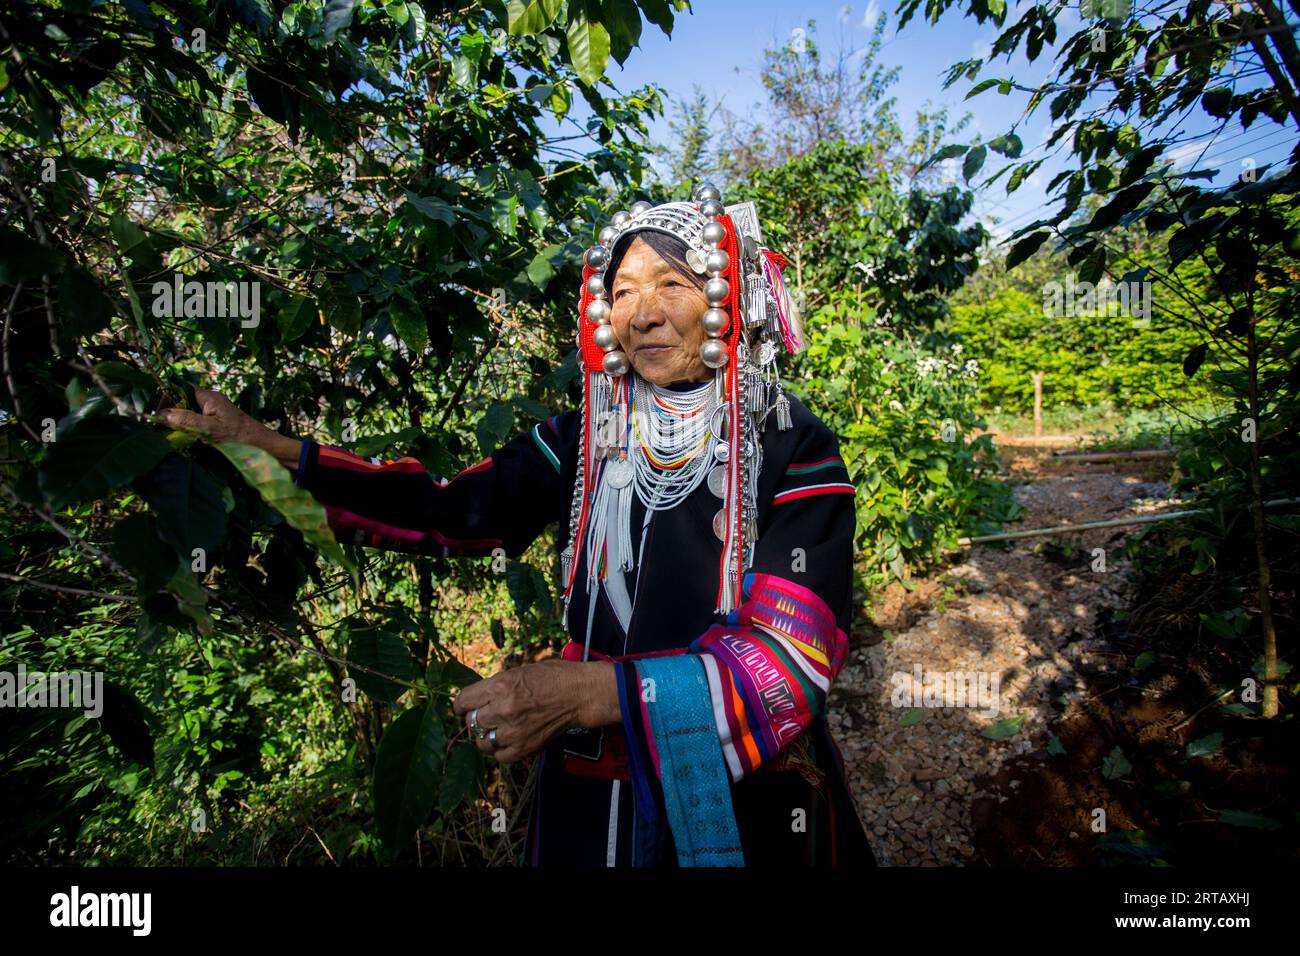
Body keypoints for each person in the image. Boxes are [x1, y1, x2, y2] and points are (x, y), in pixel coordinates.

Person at [161, 182, 876, 867]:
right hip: (594, 789)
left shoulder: (786, 440)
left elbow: (789, 660)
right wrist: (270, 445)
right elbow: (452, 511)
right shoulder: (581, 435)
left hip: (749, 787)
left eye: (670, 284)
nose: (642, 313)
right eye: (621, 290)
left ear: (722, 297)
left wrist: (591, 694)